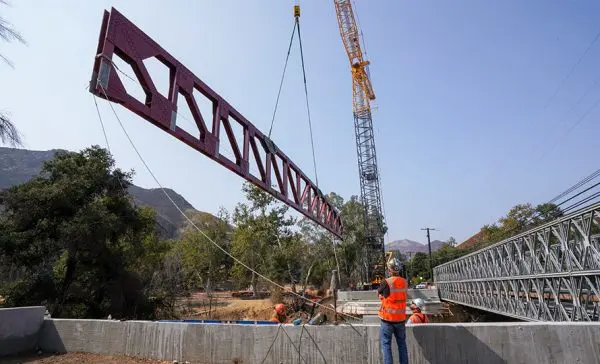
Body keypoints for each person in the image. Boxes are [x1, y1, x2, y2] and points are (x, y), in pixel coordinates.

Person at [378, 257, 409, 364]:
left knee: (386, 345)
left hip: (387, 320)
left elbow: (379, 294)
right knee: (402, 345)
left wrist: (382, 297)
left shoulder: (386, 282)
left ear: (390, 270)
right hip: (400, 320)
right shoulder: (405, 282)